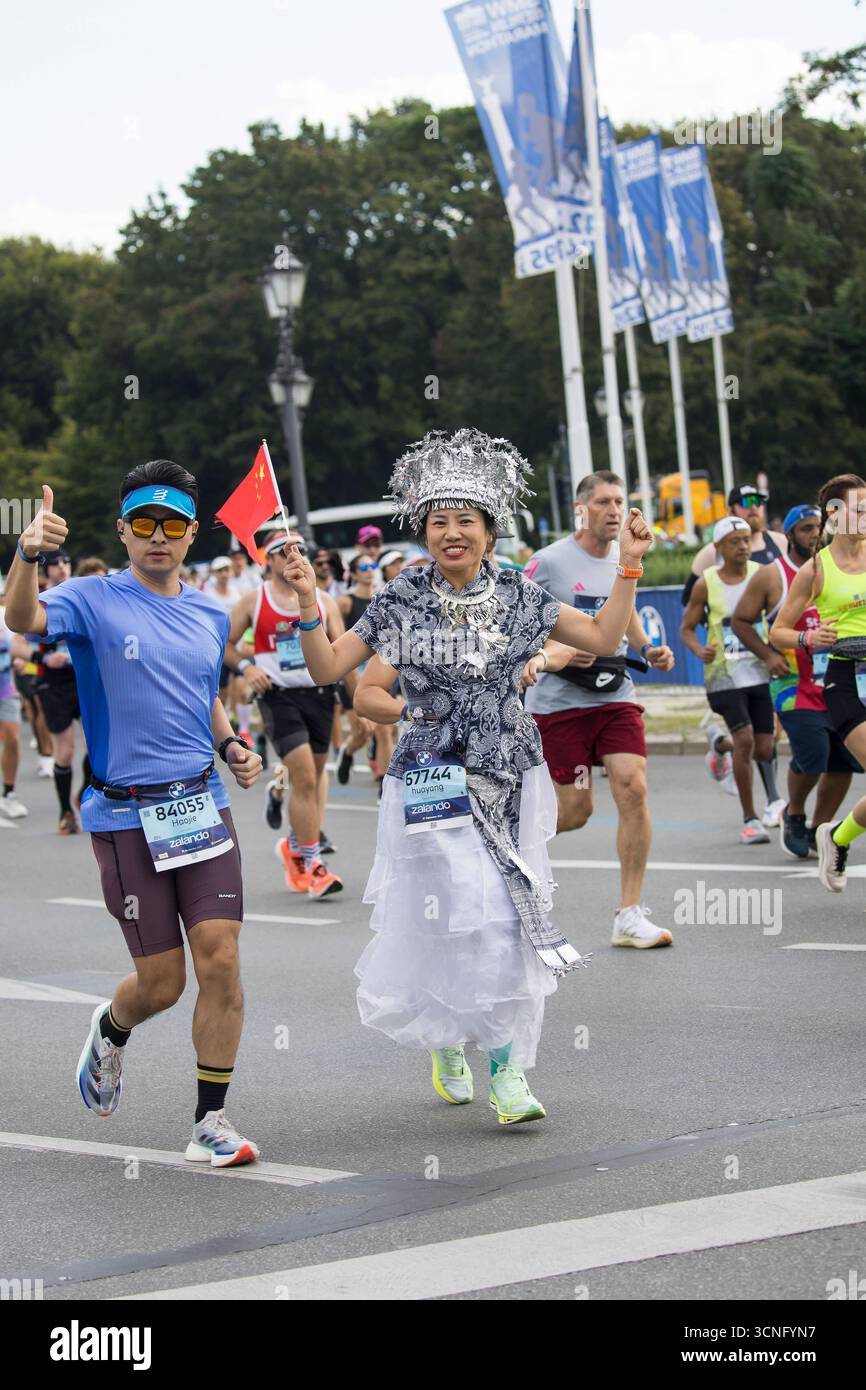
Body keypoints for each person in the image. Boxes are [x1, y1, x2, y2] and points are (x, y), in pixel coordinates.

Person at [282, 428, 654, 1126]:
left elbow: (603, 639)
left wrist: (628, 567)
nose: (452, 533)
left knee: (504, 922)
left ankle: (508, 1071)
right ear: (423, 530)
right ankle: (448, 1036)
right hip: (429, 781)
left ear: (488, 531)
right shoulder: (401, 598)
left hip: (509, 771)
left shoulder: (519, 593)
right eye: (438, 522)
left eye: (466, 521)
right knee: (455, 918)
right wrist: (309, 603)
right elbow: (332, 670)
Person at [4, 461, 263, 1166]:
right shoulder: (89, 598)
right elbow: (21, 617)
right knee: (163, 985)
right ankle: (113, 1027)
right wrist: (26, 553)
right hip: (125, 819)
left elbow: (201, 694)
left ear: (189, 534)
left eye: (172, 525)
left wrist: (232, 743)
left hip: (201, 808)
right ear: (122, 530)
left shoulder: (210, 611)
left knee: (222, 960)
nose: (158, 537)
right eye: (143, 524)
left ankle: (212, 1120)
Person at [523, 471, 676, 949]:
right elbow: (520, 620)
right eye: (605, 502)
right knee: (576, 811)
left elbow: (622, 610)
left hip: (614, 696)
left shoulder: (622, 557)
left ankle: (629, 914)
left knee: (632, 785)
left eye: (620, 501)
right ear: (582, 509)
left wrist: (648, 647)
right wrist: (561, 646)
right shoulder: (547, 562)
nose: (615, 510)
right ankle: (507, 852)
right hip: (560, 703)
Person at [732, 503, 859, 858]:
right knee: (814, 752)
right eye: (805, 528)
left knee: (843, 759)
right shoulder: (774, 575)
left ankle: (819, 827)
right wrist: (769, 655)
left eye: (818, 526)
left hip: (840, 679)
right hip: (792, 684)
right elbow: (741, 620)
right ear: (788, 534)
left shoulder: (844, 568)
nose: (814, 534)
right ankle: (794, 812)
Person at [223, 532, 344, 899]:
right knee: (305, 776)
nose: (294, 555)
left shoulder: (323, 602)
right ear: (269, 560)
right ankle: (313, 864)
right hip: (277, 696)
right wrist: (246, 666)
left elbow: (343, 654)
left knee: (313, 777)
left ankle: (294, 844)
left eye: (300, 550)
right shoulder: (252, 601)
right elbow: (222, 644)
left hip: (320, 694)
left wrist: (358, 705)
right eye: (283, 551)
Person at [770, 474, 866, 892]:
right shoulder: (816, 570)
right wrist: (809, 638)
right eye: (859, 509)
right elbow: (779, 631)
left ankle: (836, 836)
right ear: (834, 514)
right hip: (846, 681)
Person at [681, 517, 778, 844]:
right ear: (719, 547)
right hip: (723, 675)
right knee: (748, 740)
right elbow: (687, 628)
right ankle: (751, 819)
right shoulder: (706, 582)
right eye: (735, 541)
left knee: (765, 748)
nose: (743, 546)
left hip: (758, 670)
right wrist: (698, 649)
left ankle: (720, 745)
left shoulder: (762, 576)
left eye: (747, 540)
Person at [27, 549, 88, 831]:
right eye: (55, 564)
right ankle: (65, 812)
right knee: (64, 750)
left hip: (84, 677)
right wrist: (43, 658)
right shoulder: (38, 601)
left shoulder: (82, 594)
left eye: (66, 561)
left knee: (97, 746)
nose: (62, 567)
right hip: (53, 683)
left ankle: (83, 793)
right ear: (45, 571)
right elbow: (17, 645)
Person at [336, 554, 392, 793]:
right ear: (354, 573)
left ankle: (383, 782)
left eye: (373, 566)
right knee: (363, 731)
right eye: (364, 567)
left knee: (383, 728)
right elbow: (336, 641)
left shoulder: (384, 598)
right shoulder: (345, 602)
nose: (370, 571)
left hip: (379, 671)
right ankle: (347, 752)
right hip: (351, 674)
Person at [682, 485, 788, 608]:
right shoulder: (713, 551)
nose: (753, 507)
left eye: (758, 501)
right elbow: (688, 599)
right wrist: (716, 621)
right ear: (731, 511)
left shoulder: (781, 542)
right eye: (746, 502)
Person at [0, 597, 28, 821]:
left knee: (12, 740)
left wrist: (21, 662)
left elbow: (19, 649)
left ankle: (9, 792)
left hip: (5, 689)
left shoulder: (5, 616)